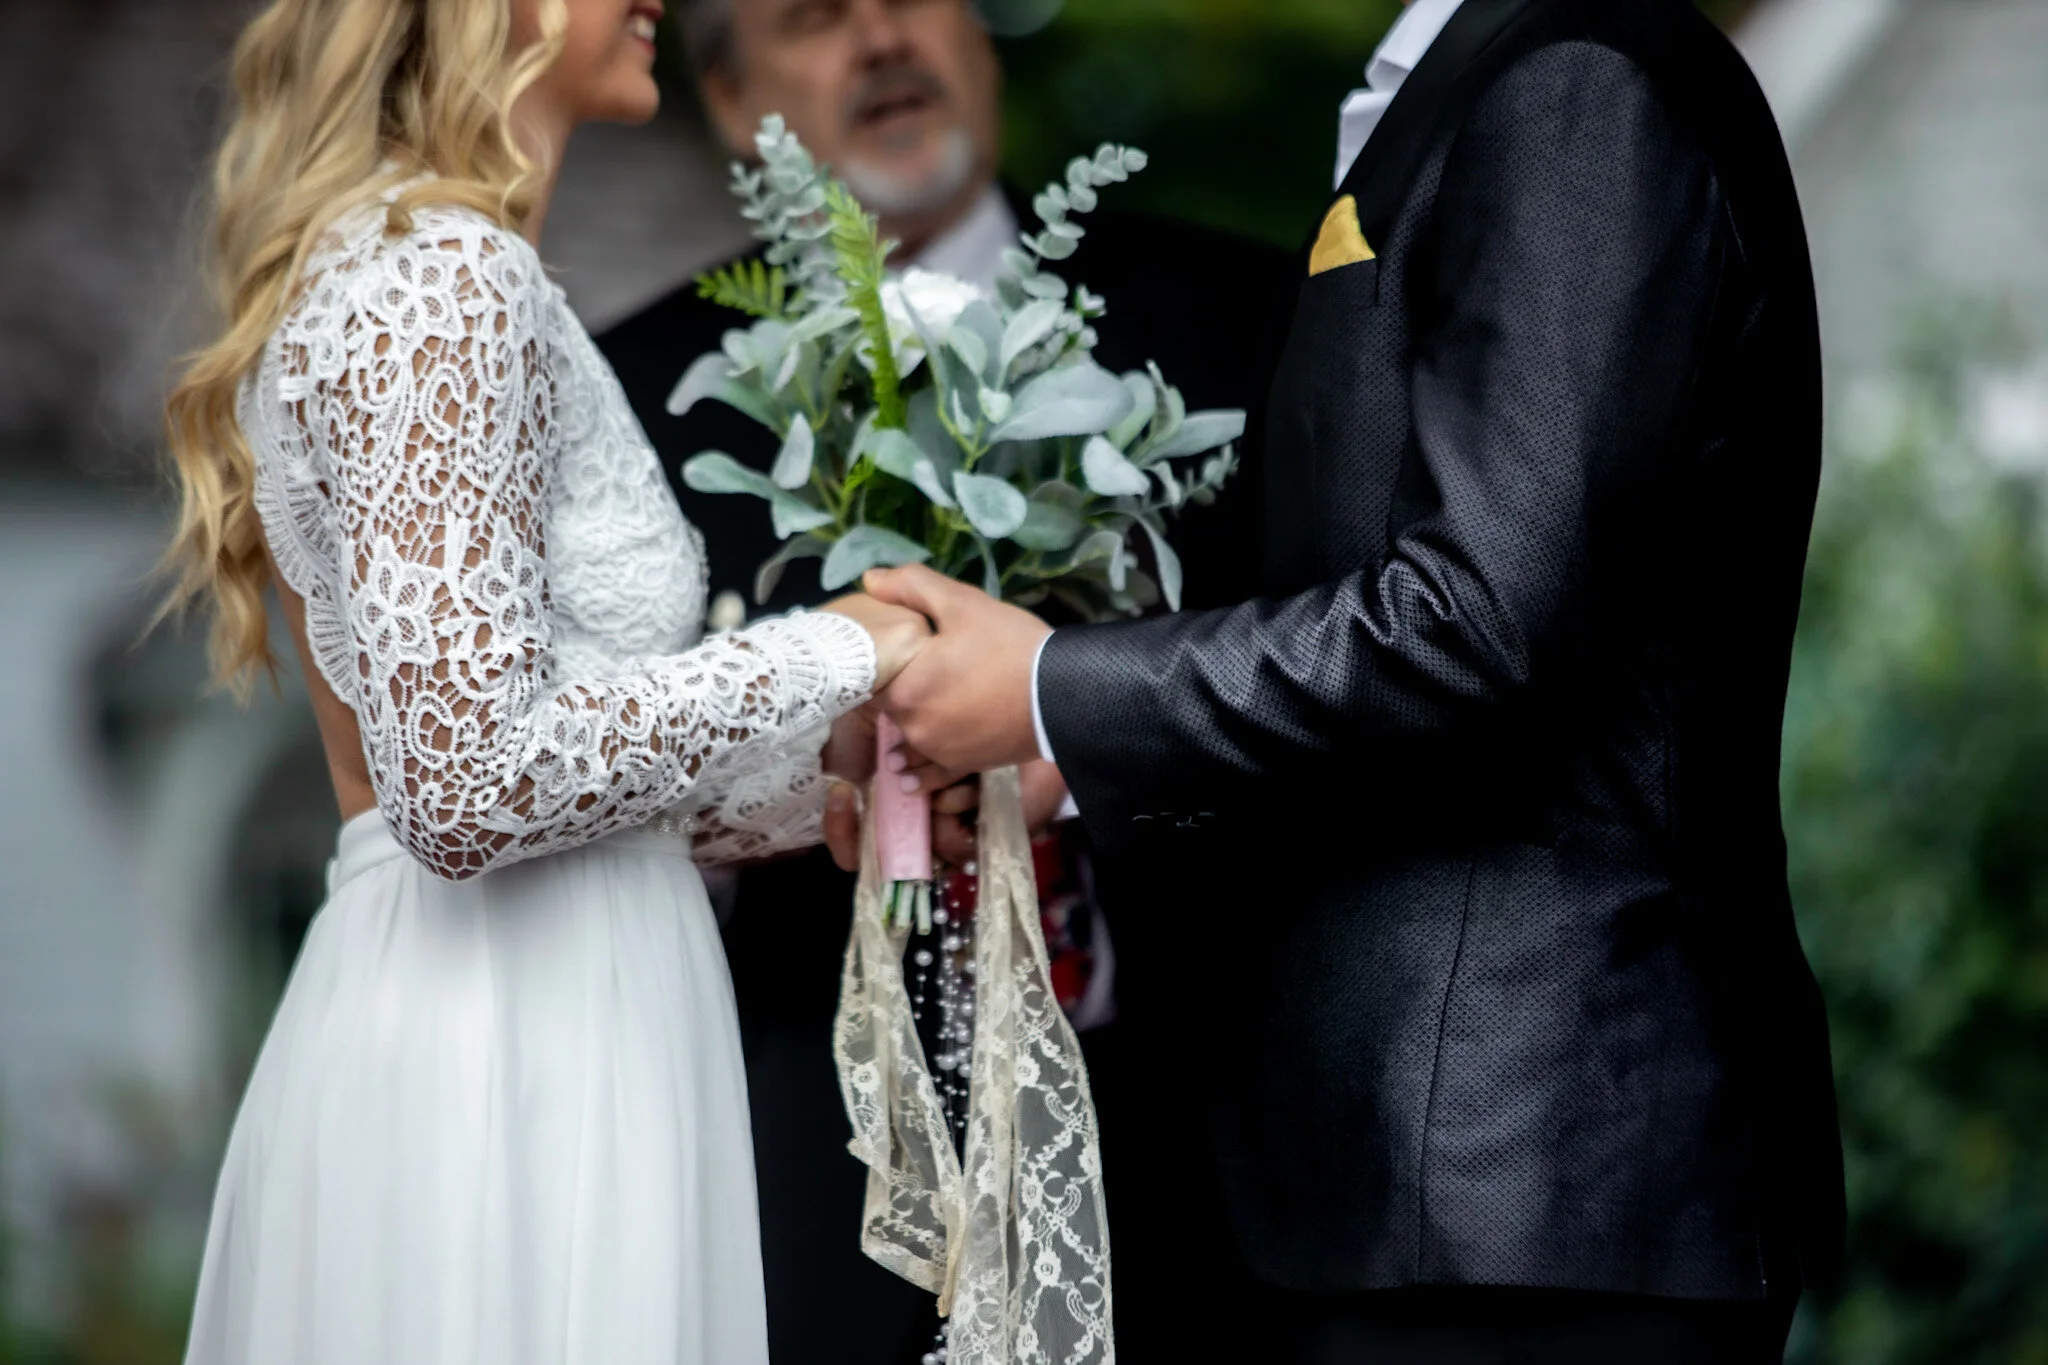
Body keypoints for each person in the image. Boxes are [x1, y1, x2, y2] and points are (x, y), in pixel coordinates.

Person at [863, 0, 1846, 1361]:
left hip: (1528, 1178)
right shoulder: (1479, 70)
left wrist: (1053, 690)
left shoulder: (1578, 78)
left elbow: (1477, 620)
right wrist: (1068, 760)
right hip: (1426, 1190)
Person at [162, 2, 930, 1360]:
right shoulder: (439, 274)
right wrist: (843, 645)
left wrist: (834, 770)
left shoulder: (444, 266)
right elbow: (463, 782)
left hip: (552, 999)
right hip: (508, 1044)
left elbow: (537, 771)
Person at [595, 1, 1295, 1359]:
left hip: (1211, 1150)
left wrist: (1081, 737)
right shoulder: (642, 394)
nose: (879, 37)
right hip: (817, 1176)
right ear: (732, 102)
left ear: (980, 32)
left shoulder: (1238, 322)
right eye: (813, 14)